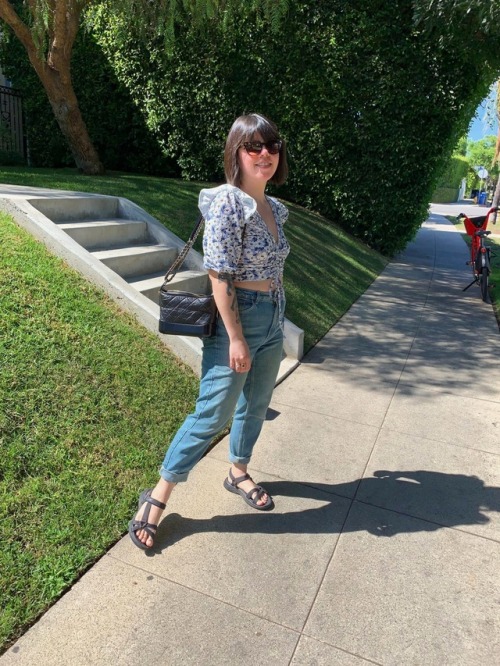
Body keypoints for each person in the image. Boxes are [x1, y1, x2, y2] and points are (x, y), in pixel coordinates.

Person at [129, 113, 290, 550]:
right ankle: (157, 497)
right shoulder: (226, 202)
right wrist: (236, 337)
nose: (265, 154)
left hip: (273, 313)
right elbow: (220, 276)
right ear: (236, 151)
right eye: (253, 146)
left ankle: (237, 471)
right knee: (213, 412)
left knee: (256, 402)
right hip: (239, 316)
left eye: (272, 146)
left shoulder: (273, 208)